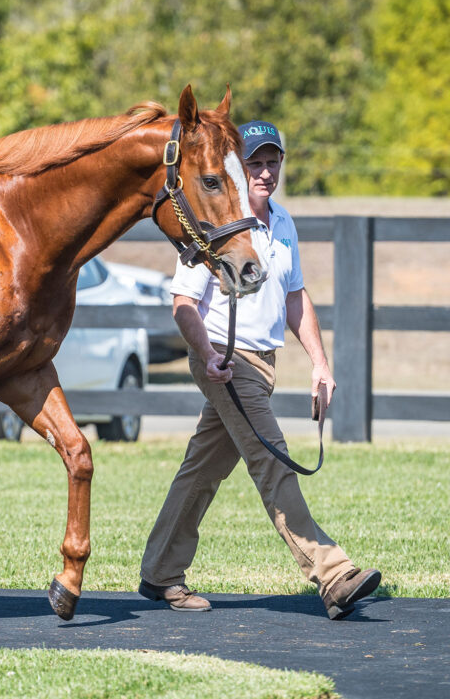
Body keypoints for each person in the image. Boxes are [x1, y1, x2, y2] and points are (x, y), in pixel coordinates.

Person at [137, 120, 381, 620]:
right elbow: (183, 302)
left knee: (202, 470)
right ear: (237, 168)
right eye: (256, 163)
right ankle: (332, 573)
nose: (266, 172)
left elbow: (295, 297)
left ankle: (160, 571)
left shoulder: (283, 223)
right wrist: (206, 355)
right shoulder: (216, 219)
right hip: (226, 358)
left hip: (263, 363)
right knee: (272, 461)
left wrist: (319, 362)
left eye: (273, 162)